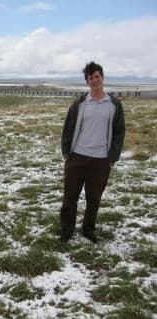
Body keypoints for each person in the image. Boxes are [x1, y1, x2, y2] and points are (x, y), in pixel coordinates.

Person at [60, 61, 125, 243]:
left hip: (101, 161)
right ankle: (66, 230)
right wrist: (67, 152)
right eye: (91, 78)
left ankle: (88, 230)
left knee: (93, 199)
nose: (95, 80)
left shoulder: (114, 104)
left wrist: (112, 157)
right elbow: (68, 128)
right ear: (87, 82)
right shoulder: (80, 104)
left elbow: (119, 132)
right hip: (77, 158)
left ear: (102, 78)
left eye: (97, 76)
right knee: (69, 198)